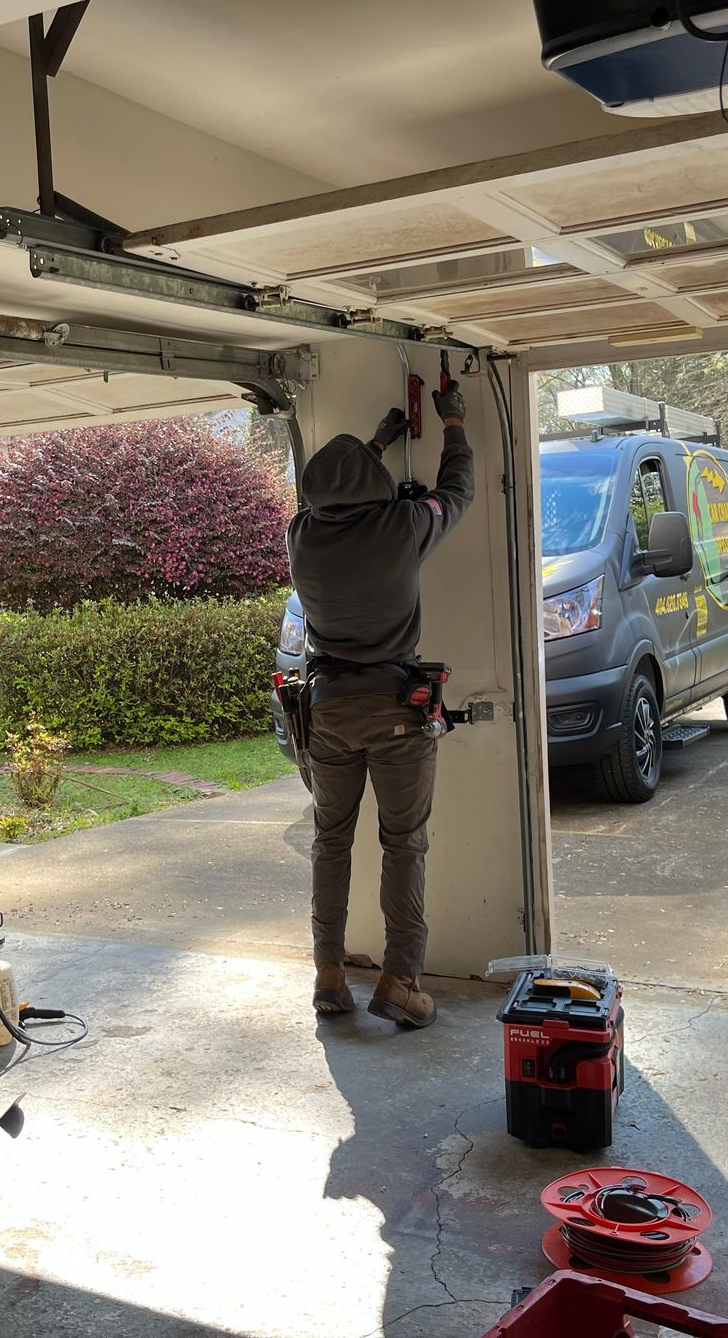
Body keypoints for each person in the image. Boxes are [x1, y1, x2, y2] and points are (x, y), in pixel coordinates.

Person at [287, 379, 474, 1029]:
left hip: (328, 709)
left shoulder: (301, 536)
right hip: (396, 707)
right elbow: (457, 494)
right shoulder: (403, 526)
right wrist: (451, 424)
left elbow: (335, 493)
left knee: (329, 843)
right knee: (404, 844)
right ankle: (401, 979)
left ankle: (329, 974)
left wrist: (374, 445)